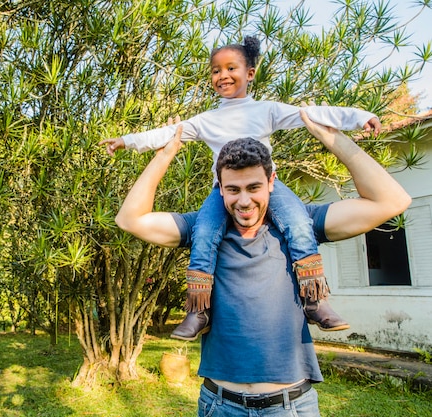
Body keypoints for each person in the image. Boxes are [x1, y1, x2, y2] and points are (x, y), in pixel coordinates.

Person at [114, 111, 410, 415]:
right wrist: (166, 154)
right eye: (233, 189)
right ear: (220, 188)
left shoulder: (301, 226)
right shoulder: (203, 229)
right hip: (220, 405)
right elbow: (129, 219)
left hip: (290, 406)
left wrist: (330, 137)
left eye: (253, 187)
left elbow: (392, 201)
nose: (243, 201)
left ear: (272, 181)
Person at [101, 35, 382, 340]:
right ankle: (198, 310)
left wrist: (360, 117)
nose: (222, 76)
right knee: (204, 234)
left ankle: (314, 299)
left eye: (231, 68)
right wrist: (127, 141)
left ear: (250, 73)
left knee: (300, 222)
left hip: (269, 188)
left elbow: (314, 115)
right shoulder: (206, 120)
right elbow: (166, 133)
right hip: (222, 192)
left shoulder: (267, 110)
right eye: (215, 71)